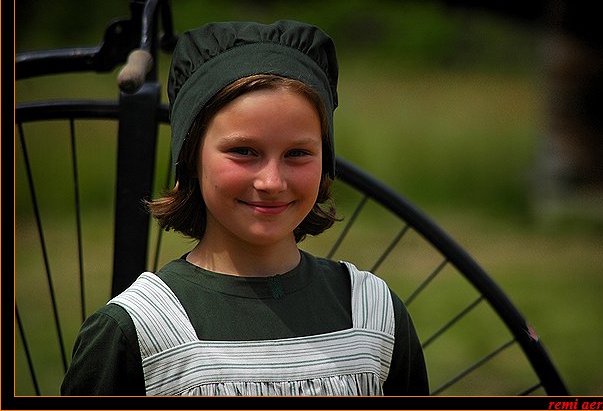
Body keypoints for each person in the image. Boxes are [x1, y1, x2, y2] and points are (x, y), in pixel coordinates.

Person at [61, 20, 429, 396]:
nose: (271, 182)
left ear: (326, 161)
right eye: (243, 151)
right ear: (190, 157)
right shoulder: (137, 331)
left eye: (298, 153)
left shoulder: (374, 317)